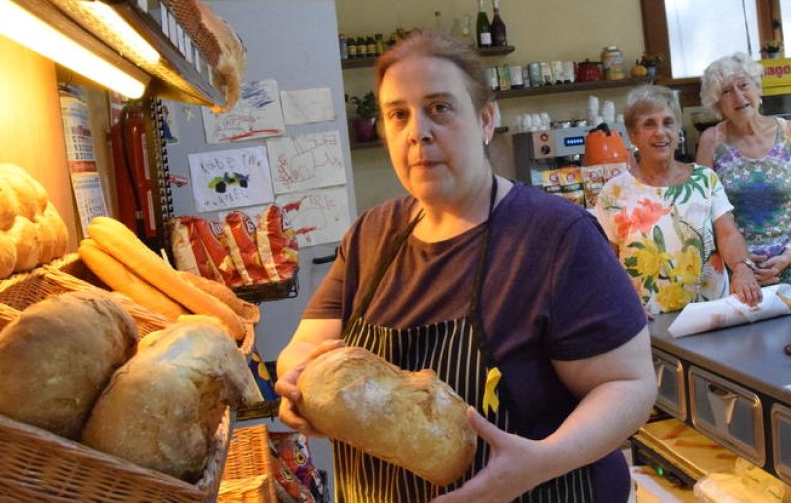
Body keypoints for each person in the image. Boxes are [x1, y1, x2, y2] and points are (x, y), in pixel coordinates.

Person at [274, 30, 654, 502]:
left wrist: (539, 464)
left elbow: (629, 385)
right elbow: (308, 346)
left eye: (440, 108)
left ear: (486, 120)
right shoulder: (370, 236)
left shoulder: (556, 238)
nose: (418, 131)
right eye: (398, 115)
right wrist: (296, 384)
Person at [594, 84, 761, 313]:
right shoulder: (614, 193)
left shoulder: (704, 179)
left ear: (677, 129)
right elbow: (605, 262)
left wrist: (743, 268)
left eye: (668, 122)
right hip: (647, 322)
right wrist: (622, 303)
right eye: (649, 124)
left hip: (710, 315)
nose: (660, 132)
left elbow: (728, 234)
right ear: (633, 134)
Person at [695, 52, 791, 307]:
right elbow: (705, 212)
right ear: (717, 103)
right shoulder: (711, 141)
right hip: (736, 271)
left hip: (789, 264)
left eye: (743, 85)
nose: (738, 97)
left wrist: (789, 253)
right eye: (727, 91)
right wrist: (741, 264)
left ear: (758, 88)